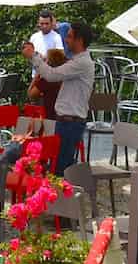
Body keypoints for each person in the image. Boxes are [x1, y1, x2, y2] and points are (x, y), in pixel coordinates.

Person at [30, 19, 95, 174]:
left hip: (70, 123)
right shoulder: (77, 61)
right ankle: (61, 195)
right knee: (60, 166)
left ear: (79, 40)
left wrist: (33, 57)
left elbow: (52, 75)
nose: (66, 39)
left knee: (60, 168)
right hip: (66, 122)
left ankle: (60, 196)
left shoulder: (82, 63)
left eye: (70, 36)